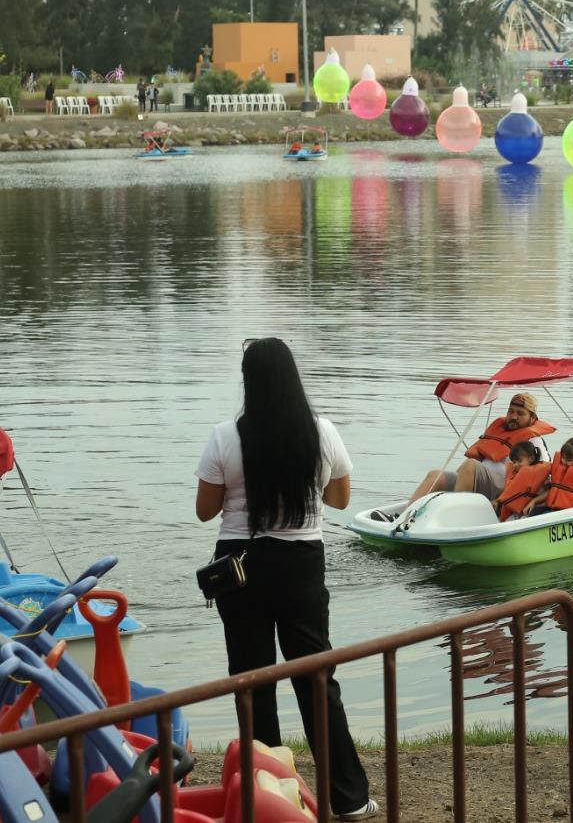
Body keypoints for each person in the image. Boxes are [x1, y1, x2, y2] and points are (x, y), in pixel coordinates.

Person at [194, 337, 379, 822]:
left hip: (239, 567)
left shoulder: (224, 436)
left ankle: (270, 799)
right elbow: (339, 499)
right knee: (316, 679)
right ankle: (349, 799)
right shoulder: (321, 433)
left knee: (253, 680)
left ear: (248, 380)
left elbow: (204, 510)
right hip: (301, 565)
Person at [409, 393, 554, 504]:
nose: (513, 416)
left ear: (532, 418)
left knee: (471, 465)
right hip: (478, 480)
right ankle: (403, 516)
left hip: (504, 487)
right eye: (511, 411)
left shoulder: (534, 440)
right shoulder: (499, 430)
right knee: (436, 475)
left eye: (520, 413)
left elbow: (543, 473)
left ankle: (455, 515)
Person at [490, 441, 551, 521]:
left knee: (524, 518)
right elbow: (508, 493)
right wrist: (497, 501)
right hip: (515, 511)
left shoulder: (542, 473)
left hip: (534, 509)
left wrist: (534, 501)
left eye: (519, 461)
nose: (515, 465)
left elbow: (549, 491)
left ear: (531, 458)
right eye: (514, 462)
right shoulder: (515, 475)